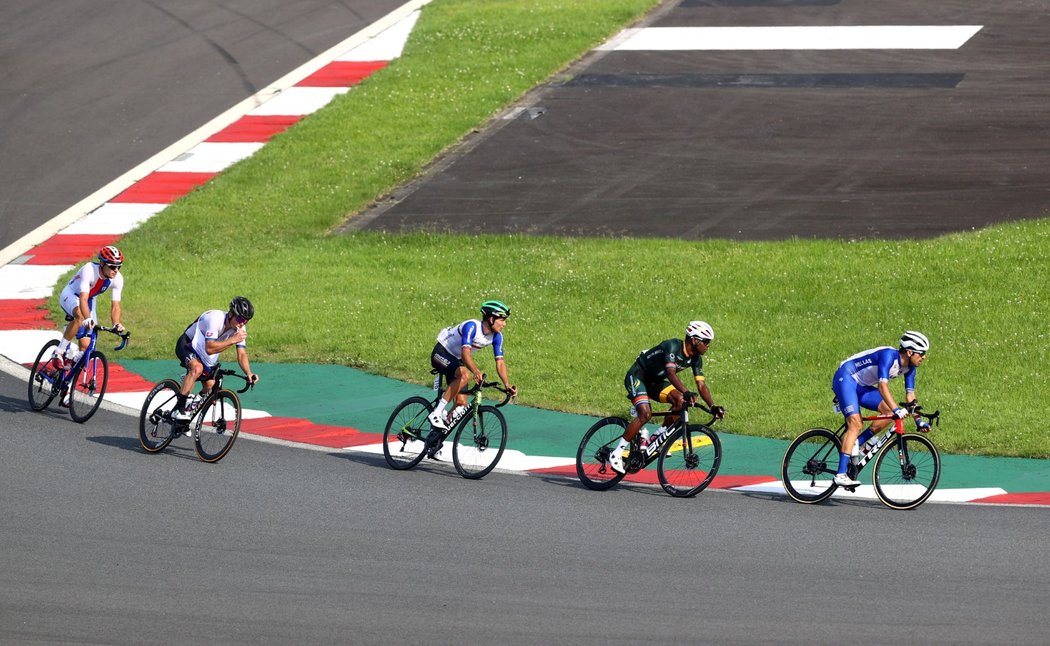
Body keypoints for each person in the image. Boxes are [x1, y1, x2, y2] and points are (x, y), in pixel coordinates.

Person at [609, 321, 725, 475]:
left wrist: (712, 406)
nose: (708, 346)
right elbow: (670, 373)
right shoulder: (672, 346)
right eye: (706, 341)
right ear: (694, 340)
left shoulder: (696, 359)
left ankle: (656, 439)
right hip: (638, 376)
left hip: (654, 382)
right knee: (645, 414)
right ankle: (616, 453)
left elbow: (701, 386)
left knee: (680, 402)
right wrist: (686, 391)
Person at [830, 330, 930, 487]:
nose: (924, 357)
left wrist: (919, 421)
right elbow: (882, 386)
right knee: (855, 423)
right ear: (910, 352)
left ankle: (858, 442)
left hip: (862, 386)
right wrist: (897, 409)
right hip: (847, 378)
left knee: (889, 414)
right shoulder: (888, 355)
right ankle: (840, 474)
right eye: (921, 353)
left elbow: (910, 397)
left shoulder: (910, 368)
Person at [427, 300, 518, 430]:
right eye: (502, 320)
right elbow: (465, 354)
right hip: (442, 352)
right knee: (465, 375)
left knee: (460, 404)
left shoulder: (497, 336)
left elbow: (500, 362)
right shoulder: (472, 327)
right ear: (491, 319)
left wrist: (507, 385)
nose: (504, 324)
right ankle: (436, 413)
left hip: (456, 360)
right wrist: (475, 371)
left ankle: (436, 435)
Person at [172, 296, 260, 421]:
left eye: (246, 321)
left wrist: (249, 373)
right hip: (187, 344)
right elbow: (210, 348)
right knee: (197, 368)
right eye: (240, 318)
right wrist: (233, 339)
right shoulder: (215, 319)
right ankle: (177, 410)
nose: (242, 323)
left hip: (203, 353)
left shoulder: (239, 328)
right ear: (231, 314)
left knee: (210, 385)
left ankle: (188, 409)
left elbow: (241, 354)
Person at [48, 245, 126, 373]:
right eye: (112, 266)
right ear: (102, 263)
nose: (116, 270)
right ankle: (58, 352)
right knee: (80, 317)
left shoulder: (118, 279)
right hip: (72, 294)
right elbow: (83, 298)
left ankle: (69, 363)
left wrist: (116, 323)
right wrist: (88, 318)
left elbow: (115, 306)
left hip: (89, 300)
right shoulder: (89, 270)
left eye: (119, 266)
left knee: (85, 345)